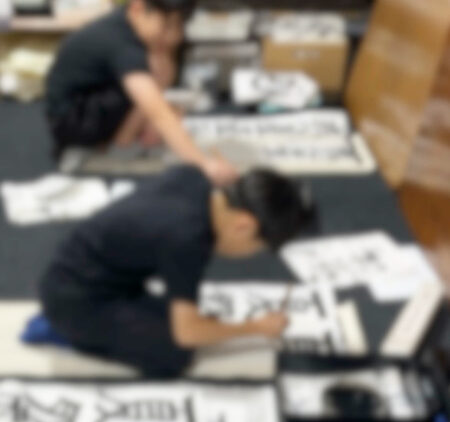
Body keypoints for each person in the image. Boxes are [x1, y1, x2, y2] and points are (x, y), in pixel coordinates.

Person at [39, 164, 309, 378]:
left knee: (196, 322)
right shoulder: (189, 240)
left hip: (87, 270)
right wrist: (256, 327)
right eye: (259, 246)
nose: (252, 253)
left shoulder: (193, 177)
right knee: (175, 352)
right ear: (243, 226)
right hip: (73, 301)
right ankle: (76, 337)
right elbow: (186, 333)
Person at [45, 0, 236, 185]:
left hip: (95, 100)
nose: (173, 35)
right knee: (156, 102)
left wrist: (162, 52)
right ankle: (121, 142)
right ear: (138, 7)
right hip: (73, 120)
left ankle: (127, 136)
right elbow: (157, 110)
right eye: (166, 25)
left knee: (162, 95)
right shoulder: (120, 43)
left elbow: (161, 82)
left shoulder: (131, 23)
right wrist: (202, 164)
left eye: (179, 25)